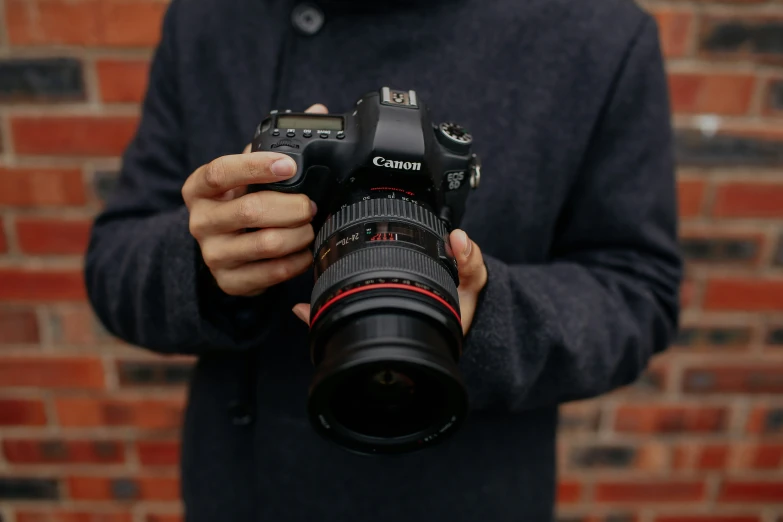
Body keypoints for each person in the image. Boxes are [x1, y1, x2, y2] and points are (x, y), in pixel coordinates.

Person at [84, 0, 682, 520]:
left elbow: (637, 292)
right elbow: (114, 264)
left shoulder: (600, 35)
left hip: (470, 498)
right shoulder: (209, 18)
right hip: (249, 496)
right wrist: (209, 263)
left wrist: (488, 313)